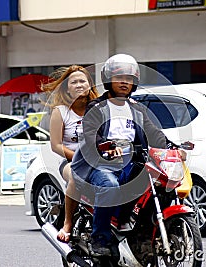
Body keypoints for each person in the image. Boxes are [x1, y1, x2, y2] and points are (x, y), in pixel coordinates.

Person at [71, 54, 186, 256]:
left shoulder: (138, 108)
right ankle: (101, 238)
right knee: (110, 186)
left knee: (160, 185)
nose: (125, 82)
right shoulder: (96, 108)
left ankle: (142, 231)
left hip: (132, 163)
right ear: (109, 80)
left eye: (129, 79)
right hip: (102, 164)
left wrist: (173, 148)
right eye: (120, 77)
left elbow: (154, 134)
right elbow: (90, 134)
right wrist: (104, 147)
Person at [42, 65, 99, 243]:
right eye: (74, 82)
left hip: (98, 160)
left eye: (83, 81)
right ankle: (67, 223)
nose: (79, 84)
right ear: (67, 88)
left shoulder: (98, 108)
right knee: (76, 176)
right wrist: (79, 158)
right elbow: (56, 145)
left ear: (89, 84)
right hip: (70, 161)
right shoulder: (61, 111)